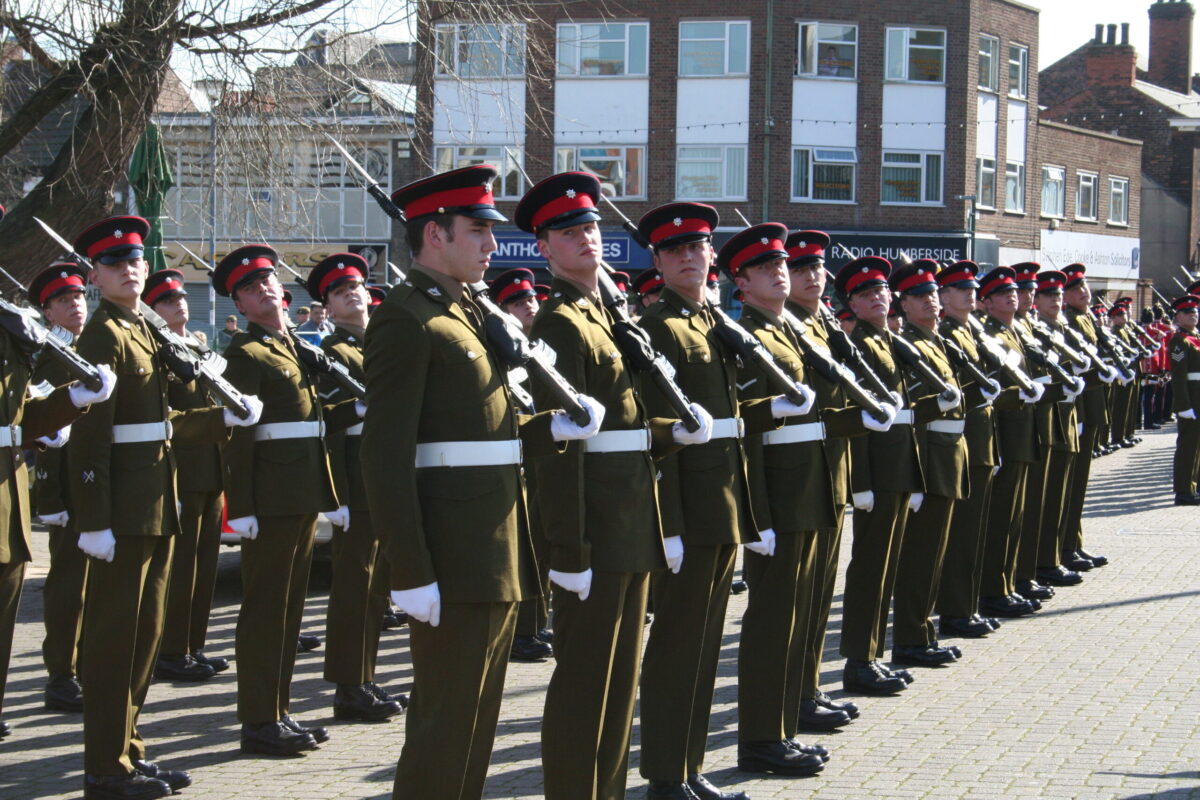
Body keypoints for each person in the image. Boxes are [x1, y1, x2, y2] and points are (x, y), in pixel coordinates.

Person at [363, 165, 603, 800]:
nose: (493, 245)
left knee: (477, 722)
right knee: (446, 724)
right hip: (451, 553)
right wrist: (409, 568)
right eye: (478, 231)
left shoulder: (469, 310)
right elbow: (385, 455)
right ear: (435, 236)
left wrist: (553, 425)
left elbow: (493, 428)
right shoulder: (407, 319)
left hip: (495, 548)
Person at [516, 172, 704, 800]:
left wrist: (672, 432)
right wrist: (568, 551)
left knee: (620, 687)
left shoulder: (608, 313)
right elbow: (558, 448)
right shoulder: (561, 324)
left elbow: (623, 427)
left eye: (591, 227)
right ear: (545, 248)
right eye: (569, 233)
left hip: (630, 519)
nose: (587, 239)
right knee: (584, 685)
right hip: (594, 529)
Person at [70, 215, 258, 800]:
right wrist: (94, 518)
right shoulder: (102, 335)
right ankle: (104, 768)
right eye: (115, 264)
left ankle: (129, 753)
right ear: (96, 276)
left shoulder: (145, 331)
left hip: (155, 501)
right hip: (123, 511)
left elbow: (165, 423)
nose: (130, 269)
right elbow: (90, 437)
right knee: (114, 642)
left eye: (136, 261)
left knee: (145, 637)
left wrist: (218, 412)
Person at [635, 209, 813, 796]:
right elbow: (654, 434)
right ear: (657, 262)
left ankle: (687, 769)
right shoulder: (659, 326)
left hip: (724, 503)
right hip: (690, 509)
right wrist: (670, 526)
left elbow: (728, 422)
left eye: (699, 247)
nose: (689, 256)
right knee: (676, 648)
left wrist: (771, 411)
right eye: (675, 250)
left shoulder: (711, 322)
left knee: (704, 647)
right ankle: (667, 773)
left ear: (712, 257)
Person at [730, 222, 889, 779]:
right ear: (743, 284)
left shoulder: (799, 329)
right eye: (776, 268)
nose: (793, 275)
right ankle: (762, 736)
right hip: (782, 492)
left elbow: (818, 416)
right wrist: (757, 515)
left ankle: (795, 707)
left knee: (810, 608)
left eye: (789, 266)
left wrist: (859, 417)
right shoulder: (749, 333)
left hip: (820, 481)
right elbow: (745, 431)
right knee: (775, 617)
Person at [213, 244, 363, 756]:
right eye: (250, 288)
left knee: (290, 611)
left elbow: (313, 424)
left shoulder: (293, 345)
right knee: (265, 611)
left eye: (269, 281)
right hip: (272, 500)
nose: (264, 289)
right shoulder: (247, 354)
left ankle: (277, 710)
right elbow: (237, 437)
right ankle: (258, 719)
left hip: (300, 494)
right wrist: (244, 507)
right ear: (239, 307)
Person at [835, 256, 959, 695]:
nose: (877, 298)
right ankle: (859, 660)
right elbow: (863, 421)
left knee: (885, 568)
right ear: (851, 303)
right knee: (870, 568)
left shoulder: (889, 342)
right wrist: (862, 482)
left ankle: (874, 655)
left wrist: (937, 405)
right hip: (880, 474)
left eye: (881, 291)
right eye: (866, 295)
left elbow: (899, 415)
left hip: (901, 468)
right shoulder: (861, 345)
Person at [304, 252, 404, 722]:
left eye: (358, 286)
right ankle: (350, 684)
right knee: (355, 587)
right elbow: (321, 422)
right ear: (327, 306)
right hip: (358, 481)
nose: (353, 293)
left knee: (375, 590)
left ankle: (364, 678)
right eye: (340, 291)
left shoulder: (381, 344)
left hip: (387, 476)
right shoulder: (332, 354)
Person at [782, 231, 869, 729]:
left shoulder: (820, 325)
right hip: (800, 479)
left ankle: (808, 688)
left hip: (830, 472)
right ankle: (790, 698)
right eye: (800, 269)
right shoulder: (784, 328)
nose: (813, 276)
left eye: (817, 268)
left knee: (816, 597)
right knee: (793, 603)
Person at [144, 270, 228, 683]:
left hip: (212, 468)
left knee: (206, 566)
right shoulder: (161, 352)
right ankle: (172, 649)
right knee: (182, 569)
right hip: (183, 469)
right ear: (153, 311)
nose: (178, 303)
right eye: (166, 301)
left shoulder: (198, 345)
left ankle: (195, 645)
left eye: (179, 297)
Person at [888, 260, 973, 667]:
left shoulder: (936, 341)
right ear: (902, 304)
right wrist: (916, 476)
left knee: (935, 553)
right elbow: (910, 416)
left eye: (933, 295)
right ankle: (910, 637)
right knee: (920, 555)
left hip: (949, 457)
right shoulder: (910, 347)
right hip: (929, 461)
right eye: (919, 297)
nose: (931, 302)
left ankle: (922, 631)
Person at [30, 262, 91, 714]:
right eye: (64, 301)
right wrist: (51, 500)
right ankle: (61, 674)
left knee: (97, 586)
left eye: (79, 297)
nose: (76, 305)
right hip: (68, 488)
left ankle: (89, 666)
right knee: (68, 586)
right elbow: (45, 435)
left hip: (98, 484)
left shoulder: (94, 349)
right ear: (48, 313)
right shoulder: (46, 359)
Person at [934, 261, 1007, 638]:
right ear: (943, 297)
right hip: (964, 440)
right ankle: (956, 611)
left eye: (971, 288)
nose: (969, 293)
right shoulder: (947, 333)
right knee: (962, 535)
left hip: (981, 441)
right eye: (959, 289)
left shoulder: (968, 330)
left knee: (975, 532)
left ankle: (969, 604)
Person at [487, 267, 553, 663]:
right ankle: (520, 630)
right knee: (523, 548)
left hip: (547, 456)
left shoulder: (541, 347)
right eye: (518, 302)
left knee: (541, 548)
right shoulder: (504, 350)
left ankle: (534, 622)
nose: (529, 306)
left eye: (531, 299)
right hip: (518, 459)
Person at [977, 267, 1050, 619]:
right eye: (1003, 294)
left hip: (1022, 432)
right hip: (1004, 434)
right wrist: (1020, 395)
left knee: (1016, 514)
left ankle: (1010, 582)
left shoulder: (1013, 331)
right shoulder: (990, 335)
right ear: (987, 303)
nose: (1013, 297)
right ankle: (995, 588)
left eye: (1013, 292)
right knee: (1002, 516)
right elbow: (991, 392)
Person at [1029, 270, 1087, 586]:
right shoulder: (1037, 331)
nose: (1057, 299)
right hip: (1045, 419)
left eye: (1059, 294)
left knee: (1064, 492)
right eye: (1049, 294)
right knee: (1047, 496)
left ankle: (1063, 549)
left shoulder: (1061, 328)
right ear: (1037, 300)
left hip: (1063, 416)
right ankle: (1047, 559)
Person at [1061, 264, 1112, 570]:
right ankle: (1067, 545)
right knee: (1072, 482)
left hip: (1091, 403)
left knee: (1079, 484)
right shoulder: (1070, 320)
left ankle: (1074, 542)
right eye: (1076, 289)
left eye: (1085, 287)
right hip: (1079, 405)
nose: (1084, 292)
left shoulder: (1086, 318)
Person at [1169, 294, 1200, 505]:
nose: (1193, 315)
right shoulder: (1179, 342)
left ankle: (1193, 485)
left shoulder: (1195, 337)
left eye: (1195, 312)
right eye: (1187, 313)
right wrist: (1183, 405)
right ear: (1178, 317)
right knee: (1188, 447)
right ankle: (1183, 491)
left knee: (1197, 447)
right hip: (1191, 399)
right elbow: (1179, 377)